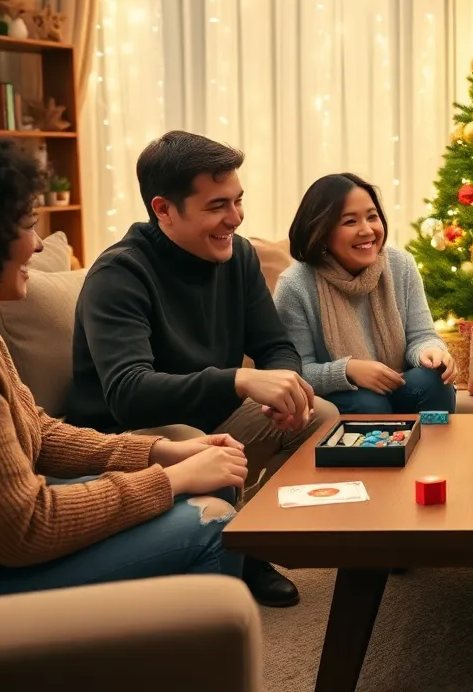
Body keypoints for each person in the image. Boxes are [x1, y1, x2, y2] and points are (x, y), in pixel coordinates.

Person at [0, 104, 246, 599]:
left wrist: (160, 451)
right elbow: (24, 530)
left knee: (212, 483)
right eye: (27, 225)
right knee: (213, 522)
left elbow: (38, 433)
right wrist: (169, 479)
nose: (37, 244)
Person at [66, 130, 337, 607]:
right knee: (190, 435)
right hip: (133, 435)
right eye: (217, 206)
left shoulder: (239, 257)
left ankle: (251, 539)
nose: (235, 218)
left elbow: (275, 345)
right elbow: (128, 392)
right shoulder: (120, 274)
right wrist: (239, 378)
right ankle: (231, 549)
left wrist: (287, 387)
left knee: (321, 416)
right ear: (164, 209)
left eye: (238, 200)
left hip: (214, 421)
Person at [274, 173, 456, 414]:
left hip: (398, 382)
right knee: (369, 403)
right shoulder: (294, 285)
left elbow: (421, 335)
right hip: (343, 395)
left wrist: (431, 351)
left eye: (372, 217)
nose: (367, 230)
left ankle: (434, 453)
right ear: (321, 231)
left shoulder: (401, 265)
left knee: (434, 381)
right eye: (350, 222)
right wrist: (349, 370)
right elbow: (296, 372)